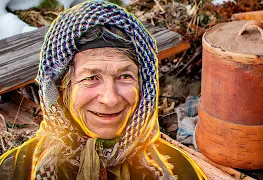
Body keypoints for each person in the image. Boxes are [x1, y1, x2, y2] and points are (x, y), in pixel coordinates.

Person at [0, 1, 206, 179]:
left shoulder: (178, 170)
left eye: (125, 77)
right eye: (91, 78)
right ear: (61, 89)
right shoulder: (15, 170)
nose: (110, 99)